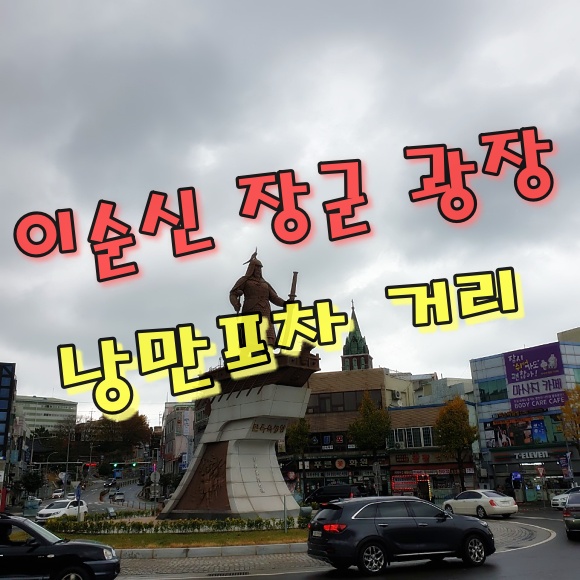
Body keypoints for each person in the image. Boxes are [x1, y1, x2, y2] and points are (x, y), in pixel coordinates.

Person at [229, 250, 287, 345]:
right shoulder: (245, 281)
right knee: (251, 337)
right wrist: (235, 304)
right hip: (251, 310)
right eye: (256, 268)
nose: (258, 270)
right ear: (252, 269)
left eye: (260, 268)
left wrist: (286, 304)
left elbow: (274, 298)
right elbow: (233, 293)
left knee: (267, 337)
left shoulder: (265, 284)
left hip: (265, 312)